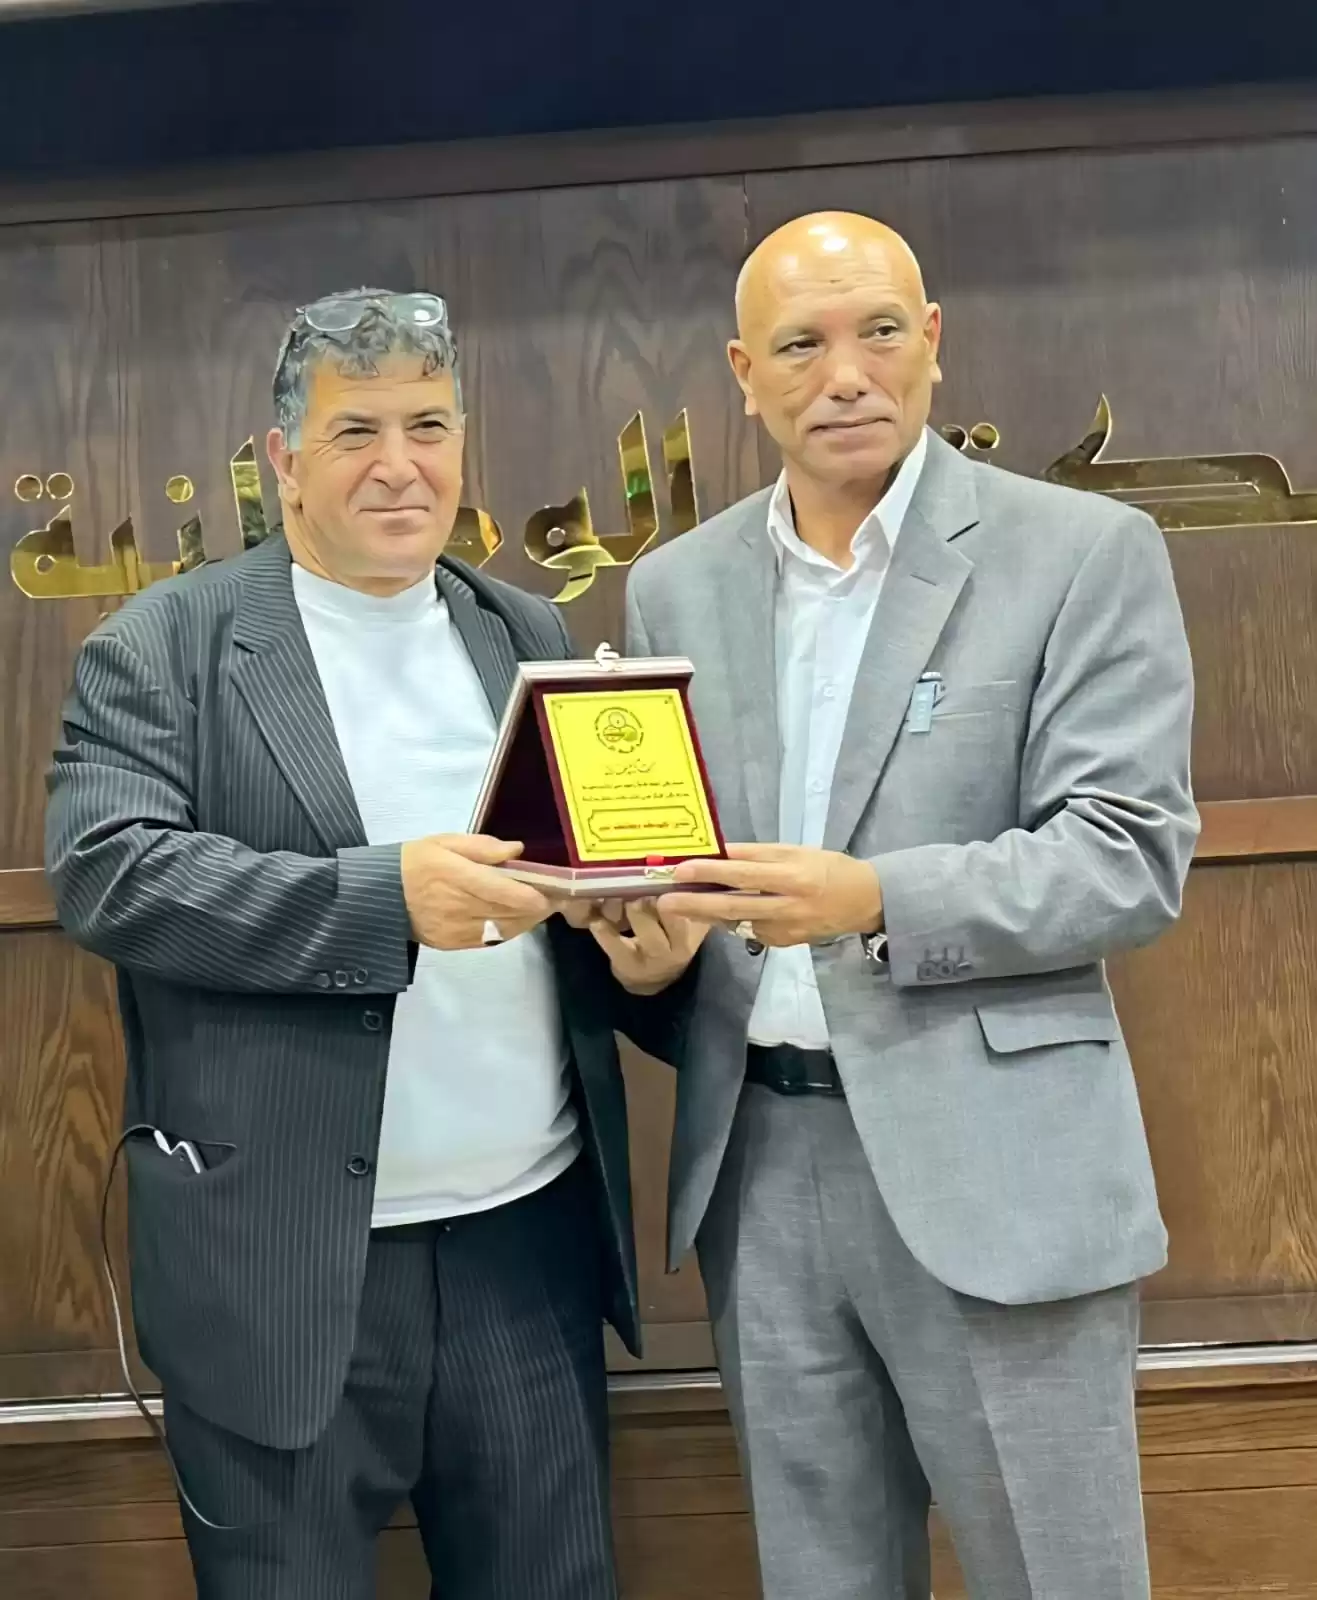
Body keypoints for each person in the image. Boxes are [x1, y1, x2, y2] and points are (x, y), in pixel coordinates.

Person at [44, 287, 698, 1600]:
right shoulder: (161, 647)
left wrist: (647, 963)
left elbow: (574, 894)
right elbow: (112, 875)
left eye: (429, 426)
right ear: (283, 460)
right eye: (357, 432)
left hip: (525, 1245)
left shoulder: (525, 632)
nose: (401, 465)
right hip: (279, 1269)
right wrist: (384, 902)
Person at [585, 214, 1198, 1598]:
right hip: (761, 1166)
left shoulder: (1079, 550)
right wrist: (654, 958)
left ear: (932, 342)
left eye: (877, 332)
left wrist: (871, 897)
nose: (845, 374)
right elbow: (675, 860)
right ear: (745, 374)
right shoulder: (677, 585)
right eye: (801, 344)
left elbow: (1126, 854)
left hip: (998, 1167)